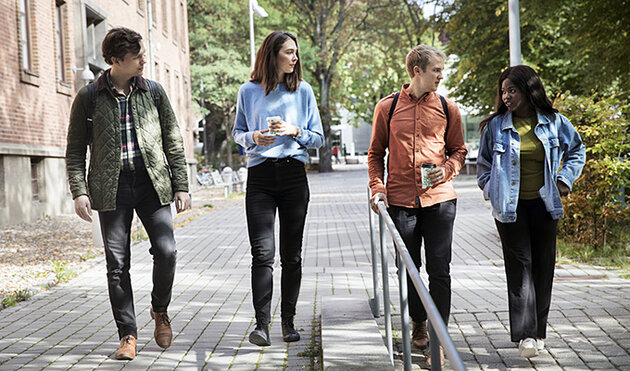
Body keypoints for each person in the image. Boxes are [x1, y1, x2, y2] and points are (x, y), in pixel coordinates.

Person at [66, 27, 190, 360]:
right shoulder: (89, 96)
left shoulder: (154, 92)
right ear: (116, 59)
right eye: (137, 57)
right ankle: (128, 336)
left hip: (152, 184)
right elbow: (75, 149)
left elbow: (173, 142)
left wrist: (181, 184)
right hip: (111, 188)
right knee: (117, 265)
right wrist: (79, 191)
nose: (143, 61)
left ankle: (159, 311)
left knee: (167, 251)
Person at [367, 44, 467, 367]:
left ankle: (438, 340)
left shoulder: (449, 109)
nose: (441, 75)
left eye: (441, 70)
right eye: (436, 70)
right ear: (416, 71)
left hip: (440, 201)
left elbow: (459, 151)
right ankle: (419, 321)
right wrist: (377, 188)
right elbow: (375, 154)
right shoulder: (387, 108)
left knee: (440, 272)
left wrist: (447, 170)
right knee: (409, 269)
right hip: (399, 201)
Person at [476, 65, 585, 358]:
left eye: (512, 90)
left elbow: (577, 150)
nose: (506, 96)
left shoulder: (553, 121)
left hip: (545, 204)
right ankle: (525, 336)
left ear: (528, 90)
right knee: (520, 267)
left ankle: (538, 333)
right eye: (503, 91)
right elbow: (483, 165)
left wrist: (564, 180)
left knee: (543, 267)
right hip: (510, 208)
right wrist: (491, 191)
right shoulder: (496, 126)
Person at [232, 31, 324, 347]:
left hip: (293, 176)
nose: (295, 58)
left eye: (296, 52)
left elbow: (319, 138)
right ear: (273, 55)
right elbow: (237, 133)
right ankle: (261, 325)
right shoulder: (247, 91)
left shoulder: (304, 92)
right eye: (289, 52)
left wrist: (295, 130)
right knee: (262, 254)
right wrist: (253, 138)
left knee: (292, 256)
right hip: (259, 178)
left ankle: (288, 322)